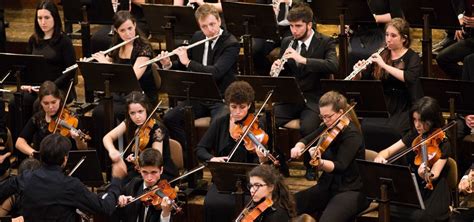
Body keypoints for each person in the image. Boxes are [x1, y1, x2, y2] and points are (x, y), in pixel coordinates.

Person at [158, 4, 239, 155]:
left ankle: (218, 163)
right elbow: (187, 67)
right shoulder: (197, 37)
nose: (210, 30)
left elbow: (215, 73)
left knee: (219, 121)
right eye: (205, 26)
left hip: (221, 98)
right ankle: (192, 156)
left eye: (212, 24)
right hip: (199, 97)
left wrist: (187, 61)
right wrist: (169, 64)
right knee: (170, 118)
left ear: (219, 21)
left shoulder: (231, 43)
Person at [270, 3, 338, 180]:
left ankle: (310, 165)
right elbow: (284, 72)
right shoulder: (287, 42)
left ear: (309, 24)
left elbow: (333, 65)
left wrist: (304, 59)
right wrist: (276, 68)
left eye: (298, 26)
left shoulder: (325, 42)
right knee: (266, 120)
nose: (294, 30)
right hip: (291, 97)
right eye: (291, 26)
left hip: (315, 98)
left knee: (309, 126)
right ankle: (279, 161)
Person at [0, 133, 127, 221]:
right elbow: (105, 208)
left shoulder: (25, 178)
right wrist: (116, 180)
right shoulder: (70, 185)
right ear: (65, 159)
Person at [90, 10, 159, 171]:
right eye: (122, 30)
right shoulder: (116, 46)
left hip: (140, 97)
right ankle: (104, 163)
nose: (128, 33)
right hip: (120, 95)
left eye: (130, 28)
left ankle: (121, 163)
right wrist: (98, 63)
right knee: (99, 112)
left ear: (135, 25)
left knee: (112, 112)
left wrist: (106, 64)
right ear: (116, 31)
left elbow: (131, 78)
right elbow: (108, 73)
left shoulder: (144, 49)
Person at [195, 80, 269, 222]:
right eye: (233, 107)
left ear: (249, 105)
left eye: (242, 107)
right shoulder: (220, 122)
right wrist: (212, 159)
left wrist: (261, 159)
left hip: (251, 181)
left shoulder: (258, 125)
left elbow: (262, 164)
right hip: (224, 178)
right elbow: (200, 149)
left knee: (248, 206)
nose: (237, 112)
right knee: (211, 203)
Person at [289, 91, 368, 221]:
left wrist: (320, 163)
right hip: (327, 186)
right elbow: (308, 139)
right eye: (322, 117)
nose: (325, 121)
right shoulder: (329, 126)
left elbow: (340, 166)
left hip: (350, 190)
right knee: (288, 205)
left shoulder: (352, 135)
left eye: (328, 117)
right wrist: (297, 147)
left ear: (341, 112)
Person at [374, 96, 452, 221]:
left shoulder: (443, 142)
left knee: (418, 217)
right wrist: (380, 158)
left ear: (432, 120)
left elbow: (434, 174)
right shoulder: (414, 135)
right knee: (388, 207)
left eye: (421, 121)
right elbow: (387, 151)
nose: (417, 125)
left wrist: (424, 174)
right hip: (414, 189)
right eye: (414, 120)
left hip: (434, 193)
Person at [10, 0, 77, 140]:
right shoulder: (33, 40)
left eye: (47, 17)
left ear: (54, 18)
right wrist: (27, 83)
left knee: (38, 104)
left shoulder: (64, 41)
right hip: (37, 87)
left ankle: (40, 145)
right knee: (15, 101)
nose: (43, 22)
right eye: (39, 18)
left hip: (59, 89)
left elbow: (71, 72)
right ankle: (21, 144)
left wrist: (49, 88)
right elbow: (27, 67)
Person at [354, 17, 422, 150]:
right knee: (366, 127)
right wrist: (358, 72)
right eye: (386, 35)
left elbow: (409, 78)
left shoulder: (412, 57)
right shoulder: (382, 53)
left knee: (393, 131)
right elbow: (366, 80)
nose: (388, 39)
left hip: (403, 104)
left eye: (393, 35)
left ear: (404, 38)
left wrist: (384, 65)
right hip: (383, 103)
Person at [103, 91, 178, 182]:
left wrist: (137, 161)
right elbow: (107, 138)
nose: (137, 117)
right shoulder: (129, 122)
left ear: (147, 109)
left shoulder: (158, 129)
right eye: (132, 113)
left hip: (158, 171)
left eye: (140, 111)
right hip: (139, 169)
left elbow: (155, 159)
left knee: (132, 183)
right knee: (120, 179)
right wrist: (112, 151)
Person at [15, 81, 88, 160]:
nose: (50, 107)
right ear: (40, 103)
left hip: (66, 162)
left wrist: (78, 139)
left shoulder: (72, 118)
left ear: (59, 100)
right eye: (46, 103)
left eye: (54, 102)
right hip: (44, 162)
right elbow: (19, 142)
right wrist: (34, 153)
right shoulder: (38, 117)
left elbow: (83, 149)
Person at [115, 148, 174, 222]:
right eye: (145, 172)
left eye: (154, 172)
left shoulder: (168, 194)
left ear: (161, 170)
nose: (149, 178)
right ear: (139, 169)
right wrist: (119, 200)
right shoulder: (134, 184)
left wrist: (165, 213)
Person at [436, 0, 474, 79]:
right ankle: (466, 80)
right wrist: (459, 21)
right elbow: (460, 4)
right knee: (442, 58)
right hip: (470, 36)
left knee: (469, 60)